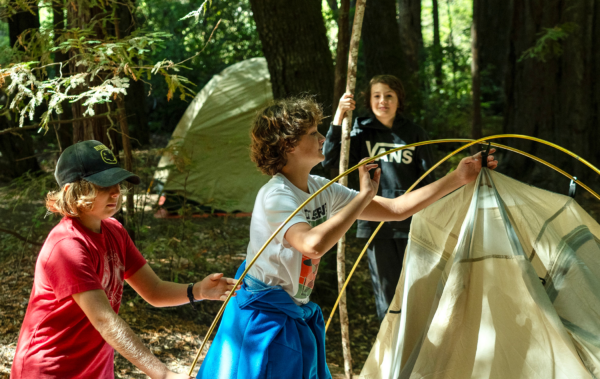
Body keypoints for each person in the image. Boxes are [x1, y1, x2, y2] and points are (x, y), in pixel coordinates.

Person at [197, 97, 497, 378]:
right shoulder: (276, 195)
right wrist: (364, 195)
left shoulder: (320, 187)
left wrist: (458, 178)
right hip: (265, 319)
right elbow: (312, 245)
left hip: (293, 312)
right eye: (313, 133)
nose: (323, 138)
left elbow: (396, 210)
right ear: (288, 144)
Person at [11, 140, 239, 379]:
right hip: (50, 370)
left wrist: (199, 290)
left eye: (117, 183)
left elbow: (154, 289)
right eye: (103, 185)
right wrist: (163, 374)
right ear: (72, 191)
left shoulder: (114, 231)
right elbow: (104, 320)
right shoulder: (66, 246)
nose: (116, 192)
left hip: (93, 370)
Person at [323, 74, 436, 320]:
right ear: (368, 100)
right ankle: (388, 350)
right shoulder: (360, 131)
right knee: (387, 294)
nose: (382, 101)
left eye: (389, 96)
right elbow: (330, 158)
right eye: (376, 96)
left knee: (416, 289)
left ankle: (416, 348)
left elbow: (429, 179)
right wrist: (338, 117)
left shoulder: (415, 133)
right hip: (375, 222)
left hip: (412, 224)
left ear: (399, 100)